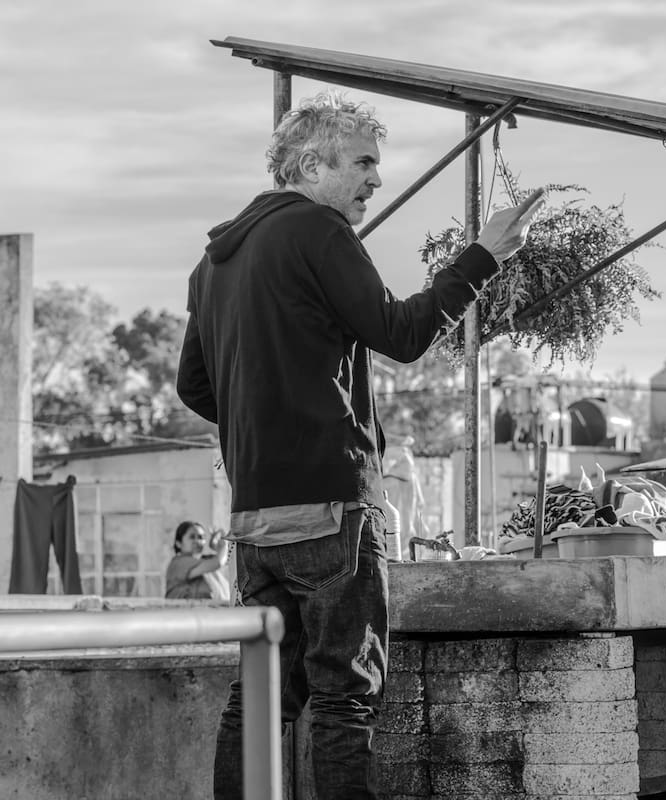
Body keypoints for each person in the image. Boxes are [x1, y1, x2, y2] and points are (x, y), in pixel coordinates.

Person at [176, 89, 545, 800]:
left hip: (255, 521)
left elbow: (196, 385)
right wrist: (483, 257)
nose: (377, 180)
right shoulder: (318, 233)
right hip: (333, 514)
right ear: (312, 166)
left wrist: (264, 427)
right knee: (346, 702)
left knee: (259, 702)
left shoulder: (213, 261)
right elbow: (403, 334)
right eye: (365, 163)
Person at [164, 520, 231, 601]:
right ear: (179, 543)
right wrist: (223, 545)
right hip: (185, 612)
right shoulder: (178, 563)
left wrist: (216, 548)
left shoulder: (204, 560)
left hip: (213, 611)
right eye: (192, 537)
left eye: (201, 537)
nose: (197, 541)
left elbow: (228, 560)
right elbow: (218, 563)